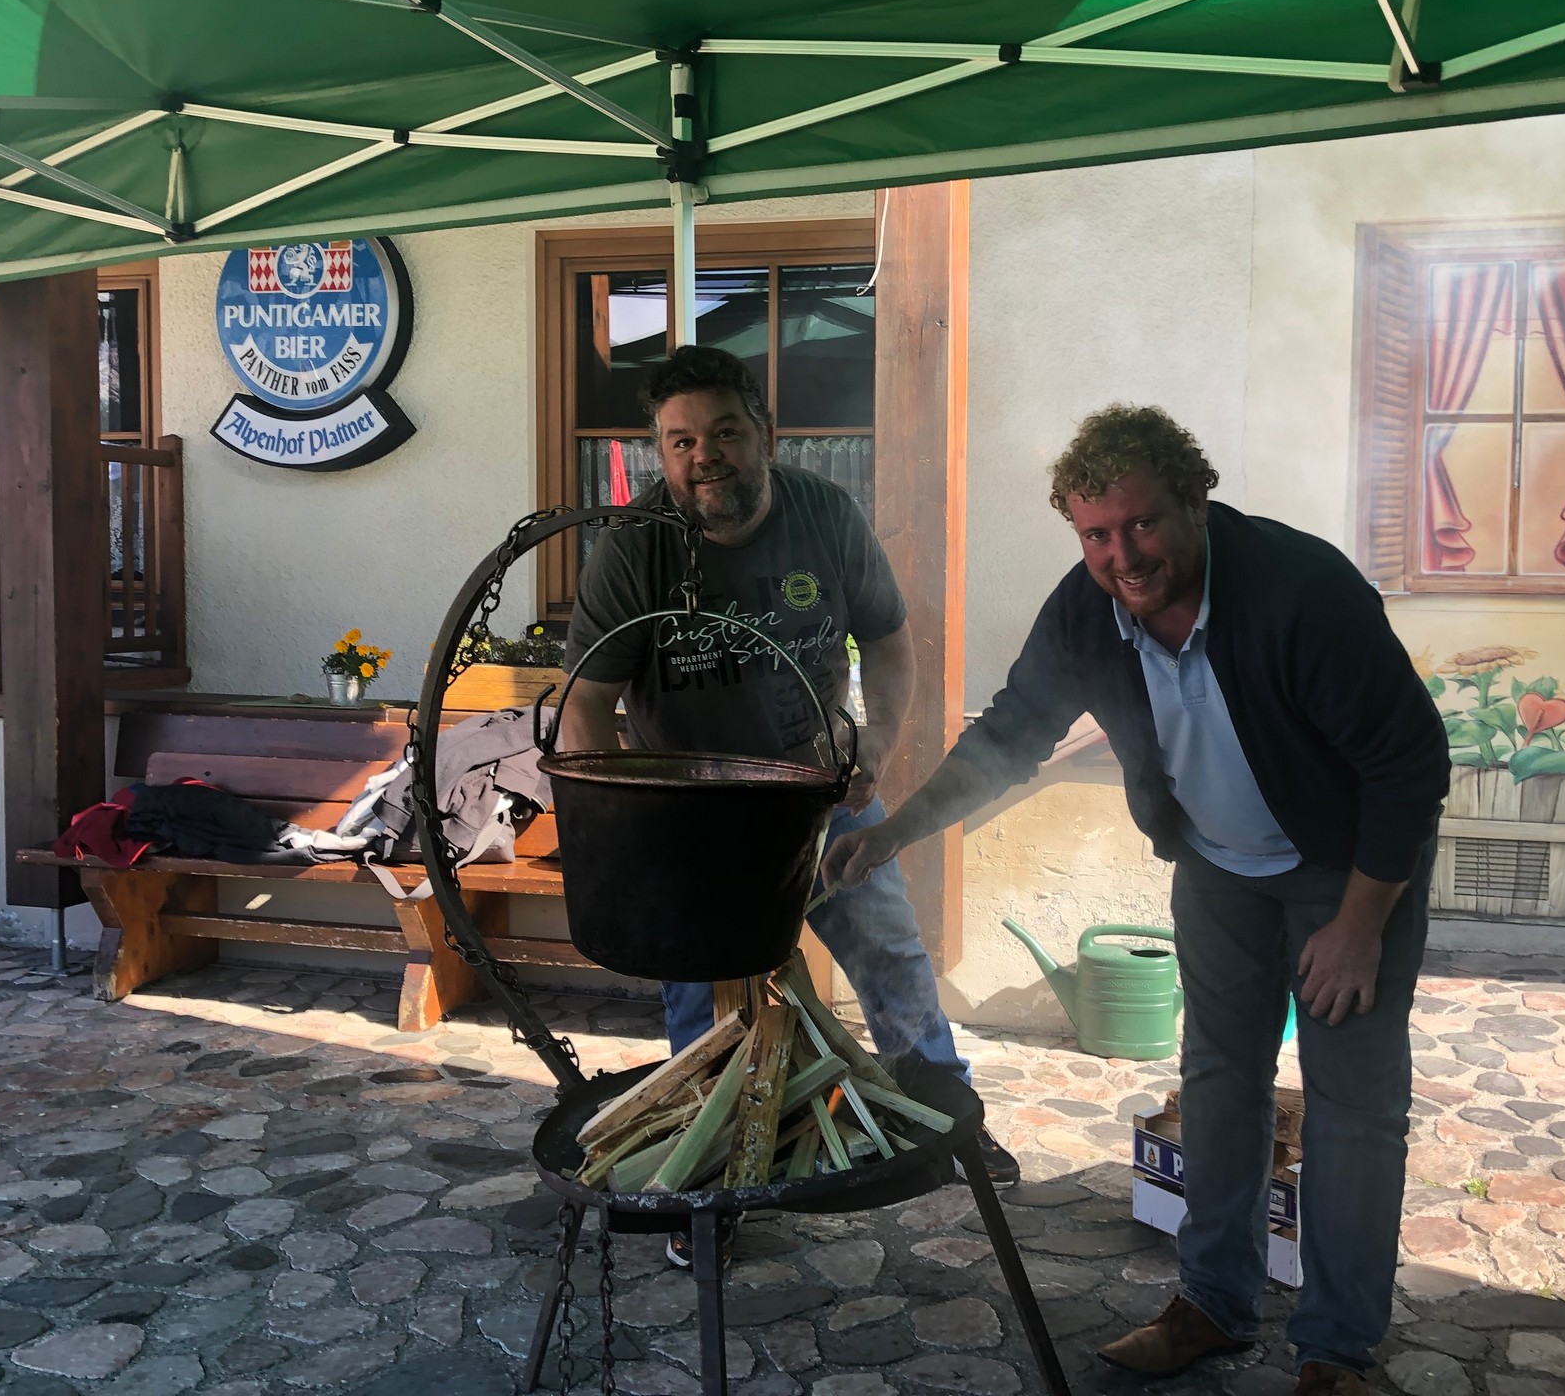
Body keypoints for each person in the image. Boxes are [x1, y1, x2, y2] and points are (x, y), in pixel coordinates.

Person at [822, 405, 1449, 1396]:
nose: (1122, 556)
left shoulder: (1301, 591)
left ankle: (1335, 1351)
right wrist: (896, 830)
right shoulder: (1087, 610)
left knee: (1353, 1109)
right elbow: (1009, 737)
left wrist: (1360, 926)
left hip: (1347, 870)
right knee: (1218, 1083)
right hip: (1218, 870)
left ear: (1195, 501)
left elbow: (1410, 764)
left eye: (1142, 523)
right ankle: (1214, 1303)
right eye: (1096, 534)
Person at [561, 344, 1021, 1267]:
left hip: (820, 794)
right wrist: (630, 824)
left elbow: (888, 641)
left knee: (890, 953)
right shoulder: (635, 546)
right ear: (661, 451)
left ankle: (942, 1115)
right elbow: (586, 704)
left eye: (725, 432)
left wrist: (875, 745)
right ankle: (709, 1181)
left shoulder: (824, 515)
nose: (705, 457)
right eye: (681, 441)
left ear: (765, 435)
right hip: (693, 821)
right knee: (705, 1000)